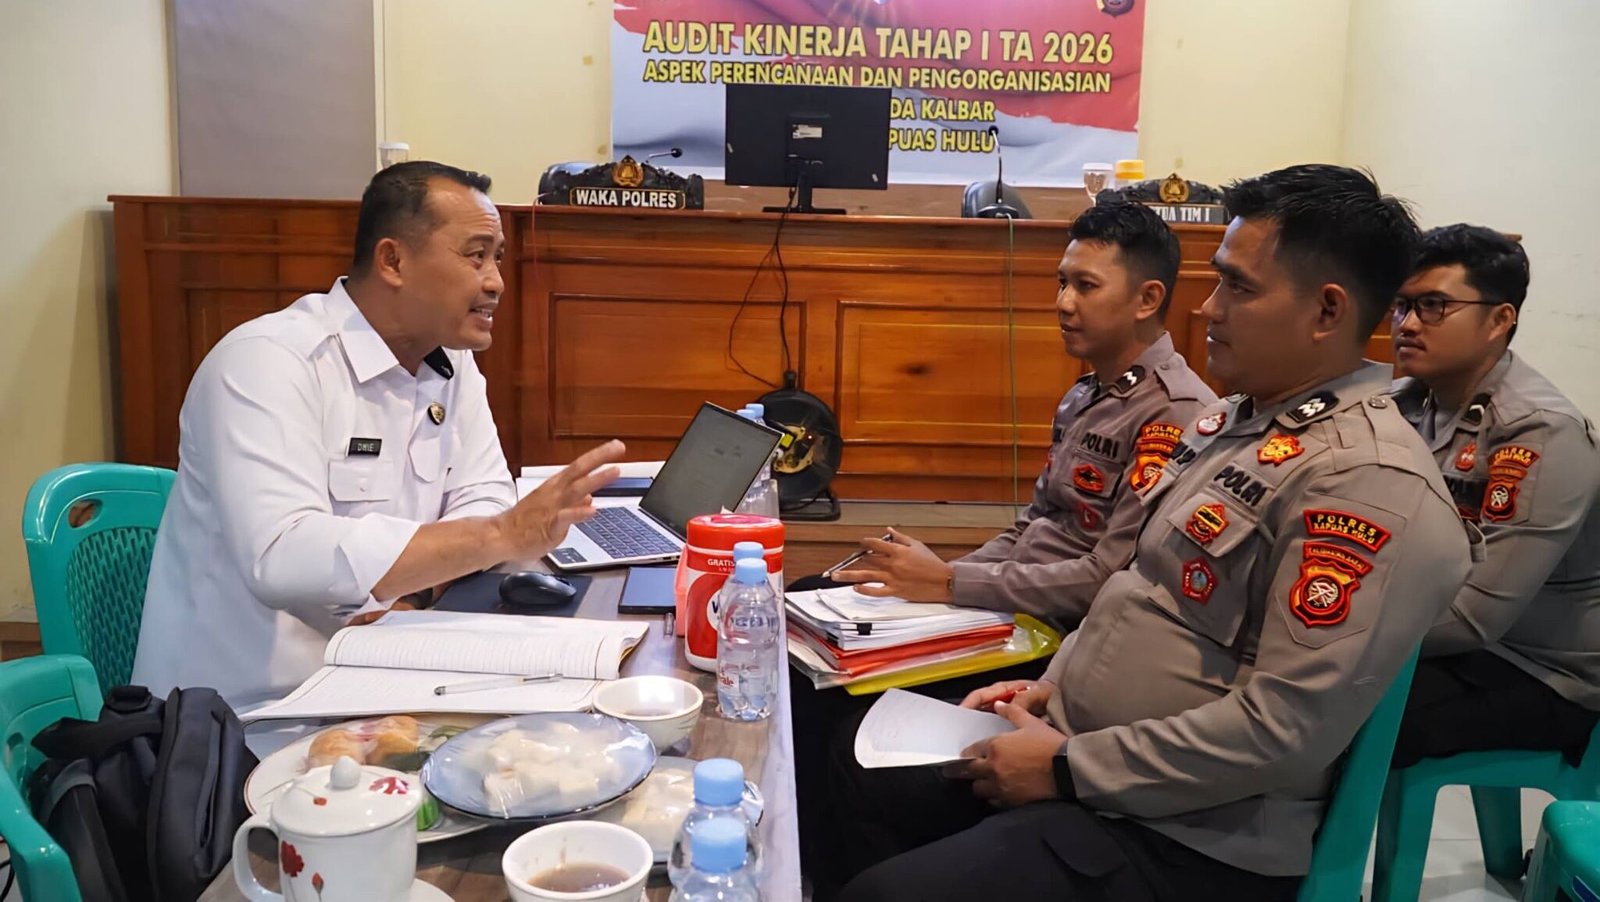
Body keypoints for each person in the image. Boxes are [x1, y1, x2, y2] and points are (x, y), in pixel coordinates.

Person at [813, 165, 1475, 902]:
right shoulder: (1237, 422)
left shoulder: (1369, 485)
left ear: (1327, 311)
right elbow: (1132, 585)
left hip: (1188, 833)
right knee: (849, 767)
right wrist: (1043, 689)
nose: (1211, 308)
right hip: (1081, 752)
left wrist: (1067, 768)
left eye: (1239, 287)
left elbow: (1283, 732)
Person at [132, 162, 624, 710]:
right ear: (393, 260)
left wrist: (419, 587)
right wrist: (496, 537)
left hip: (384, 677)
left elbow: (481, 495)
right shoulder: (267, 361)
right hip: (247, 718)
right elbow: (283, 555)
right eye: (475, 254)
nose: (496, 281)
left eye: (498, 258)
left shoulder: (451, 368)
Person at [831, 200, 1216, 622]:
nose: (1064, 303)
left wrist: (948, 583)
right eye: (1061, 283)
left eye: (1086, 286)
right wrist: (939, 582)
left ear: (1147, 299)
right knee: (823, 601)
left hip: (1066, 636)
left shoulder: (1174, 412)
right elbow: (1030, 528)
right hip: (1017, 603)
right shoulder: (1086, 393)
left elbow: (1108, 577)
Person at [1388, 224, 1600, 768]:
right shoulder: (1405, 404)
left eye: (1434, 306)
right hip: (1453, 645)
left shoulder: (1540, 431)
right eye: (1402, 304)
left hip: (1541, 672)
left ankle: (1323, 854)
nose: (1407, 324)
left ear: (1500, 320)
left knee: (1330, 716)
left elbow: (1476, 619)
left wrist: (1333, 638)